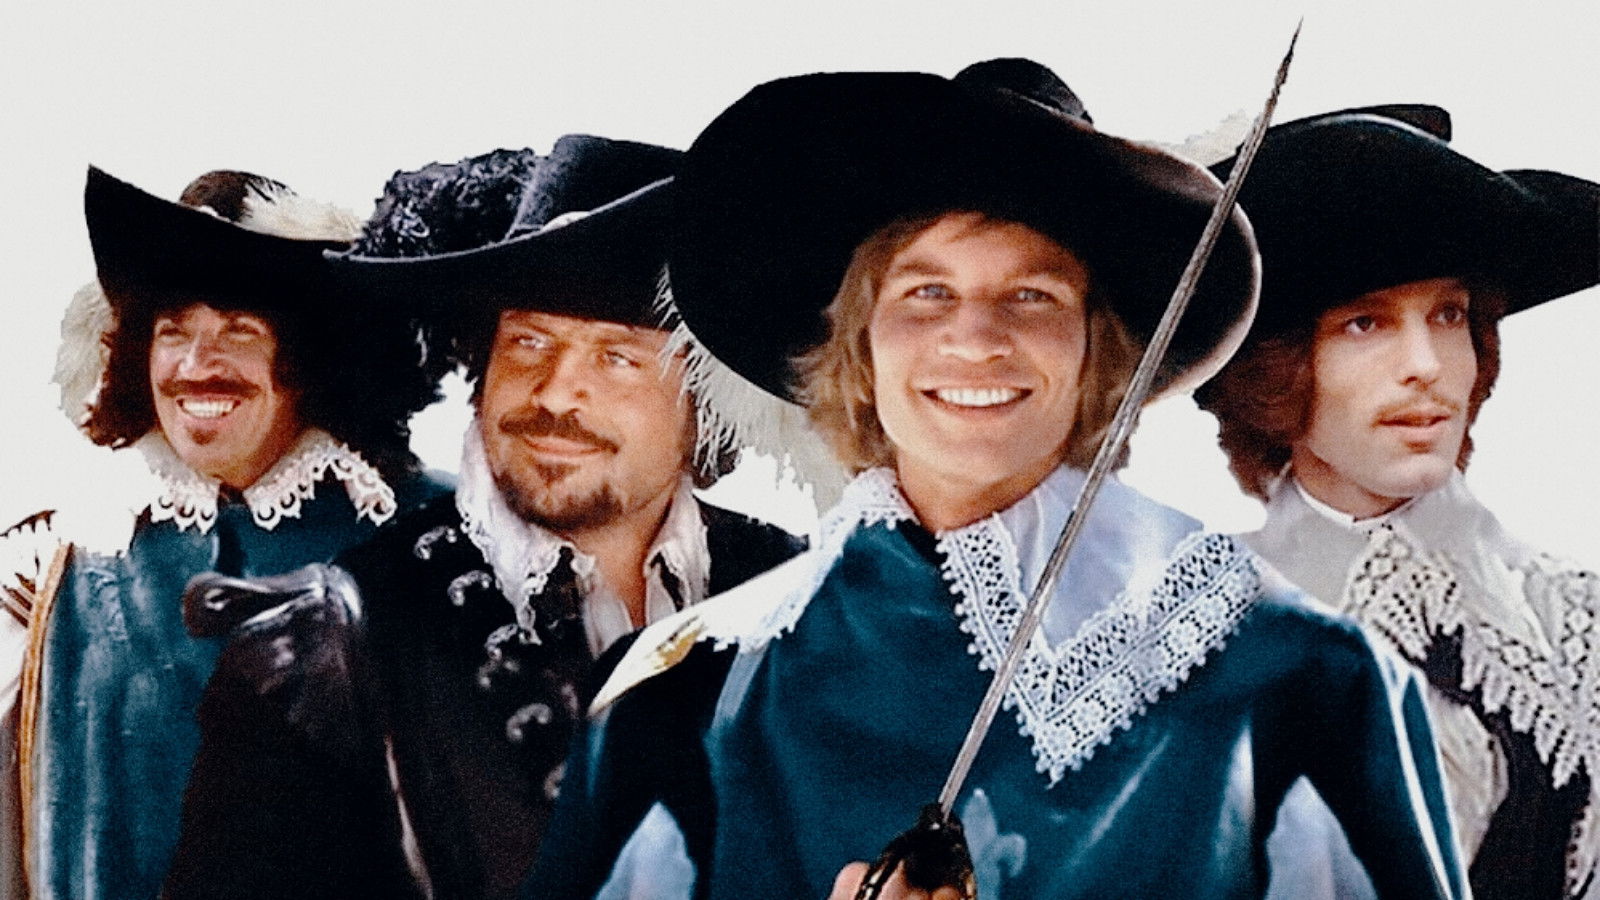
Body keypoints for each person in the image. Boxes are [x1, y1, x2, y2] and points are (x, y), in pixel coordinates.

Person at [528, 59, 1467, 900]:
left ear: (1098, 349)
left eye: (1032, 295)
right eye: (925, 291)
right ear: (859, 344)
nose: (975, 337)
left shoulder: (1308, 678)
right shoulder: (684, 688)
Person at [161, 136, 807, 900]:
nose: (556, 392)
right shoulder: (324, 654)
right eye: (528, 341)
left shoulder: (806, 600)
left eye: (617, 357)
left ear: (707, 399)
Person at [0, 167, 449, 900]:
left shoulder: (440, 535)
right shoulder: (60, 563)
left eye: (239, 330)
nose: (196, 366)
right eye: (173, 331)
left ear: (311, 358)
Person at [1194, 105, 1600, 900]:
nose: (1426, 365)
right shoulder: (1185, 629)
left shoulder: (1571, 625)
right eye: (1365, 323)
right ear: (1275, 368)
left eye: (1449, 315)